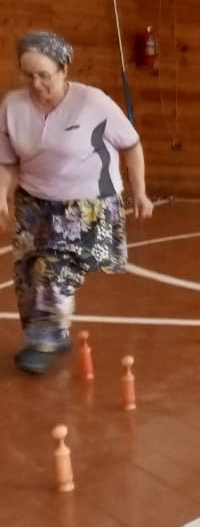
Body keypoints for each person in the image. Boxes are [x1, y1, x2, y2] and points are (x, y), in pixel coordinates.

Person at [0, 30, 154, 374]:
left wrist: (139, 191)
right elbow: (8, 160)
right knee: (26, 274)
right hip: (34, 201)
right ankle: (53, 330)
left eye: (45, 75)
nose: (36, 84)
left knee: (52, 267)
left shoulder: (92, 102)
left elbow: (131, 145)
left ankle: (43, 341)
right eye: (28, 75)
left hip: (87, 204)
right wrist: (2, 196)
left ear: (64, 68)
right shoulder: (12, 105)